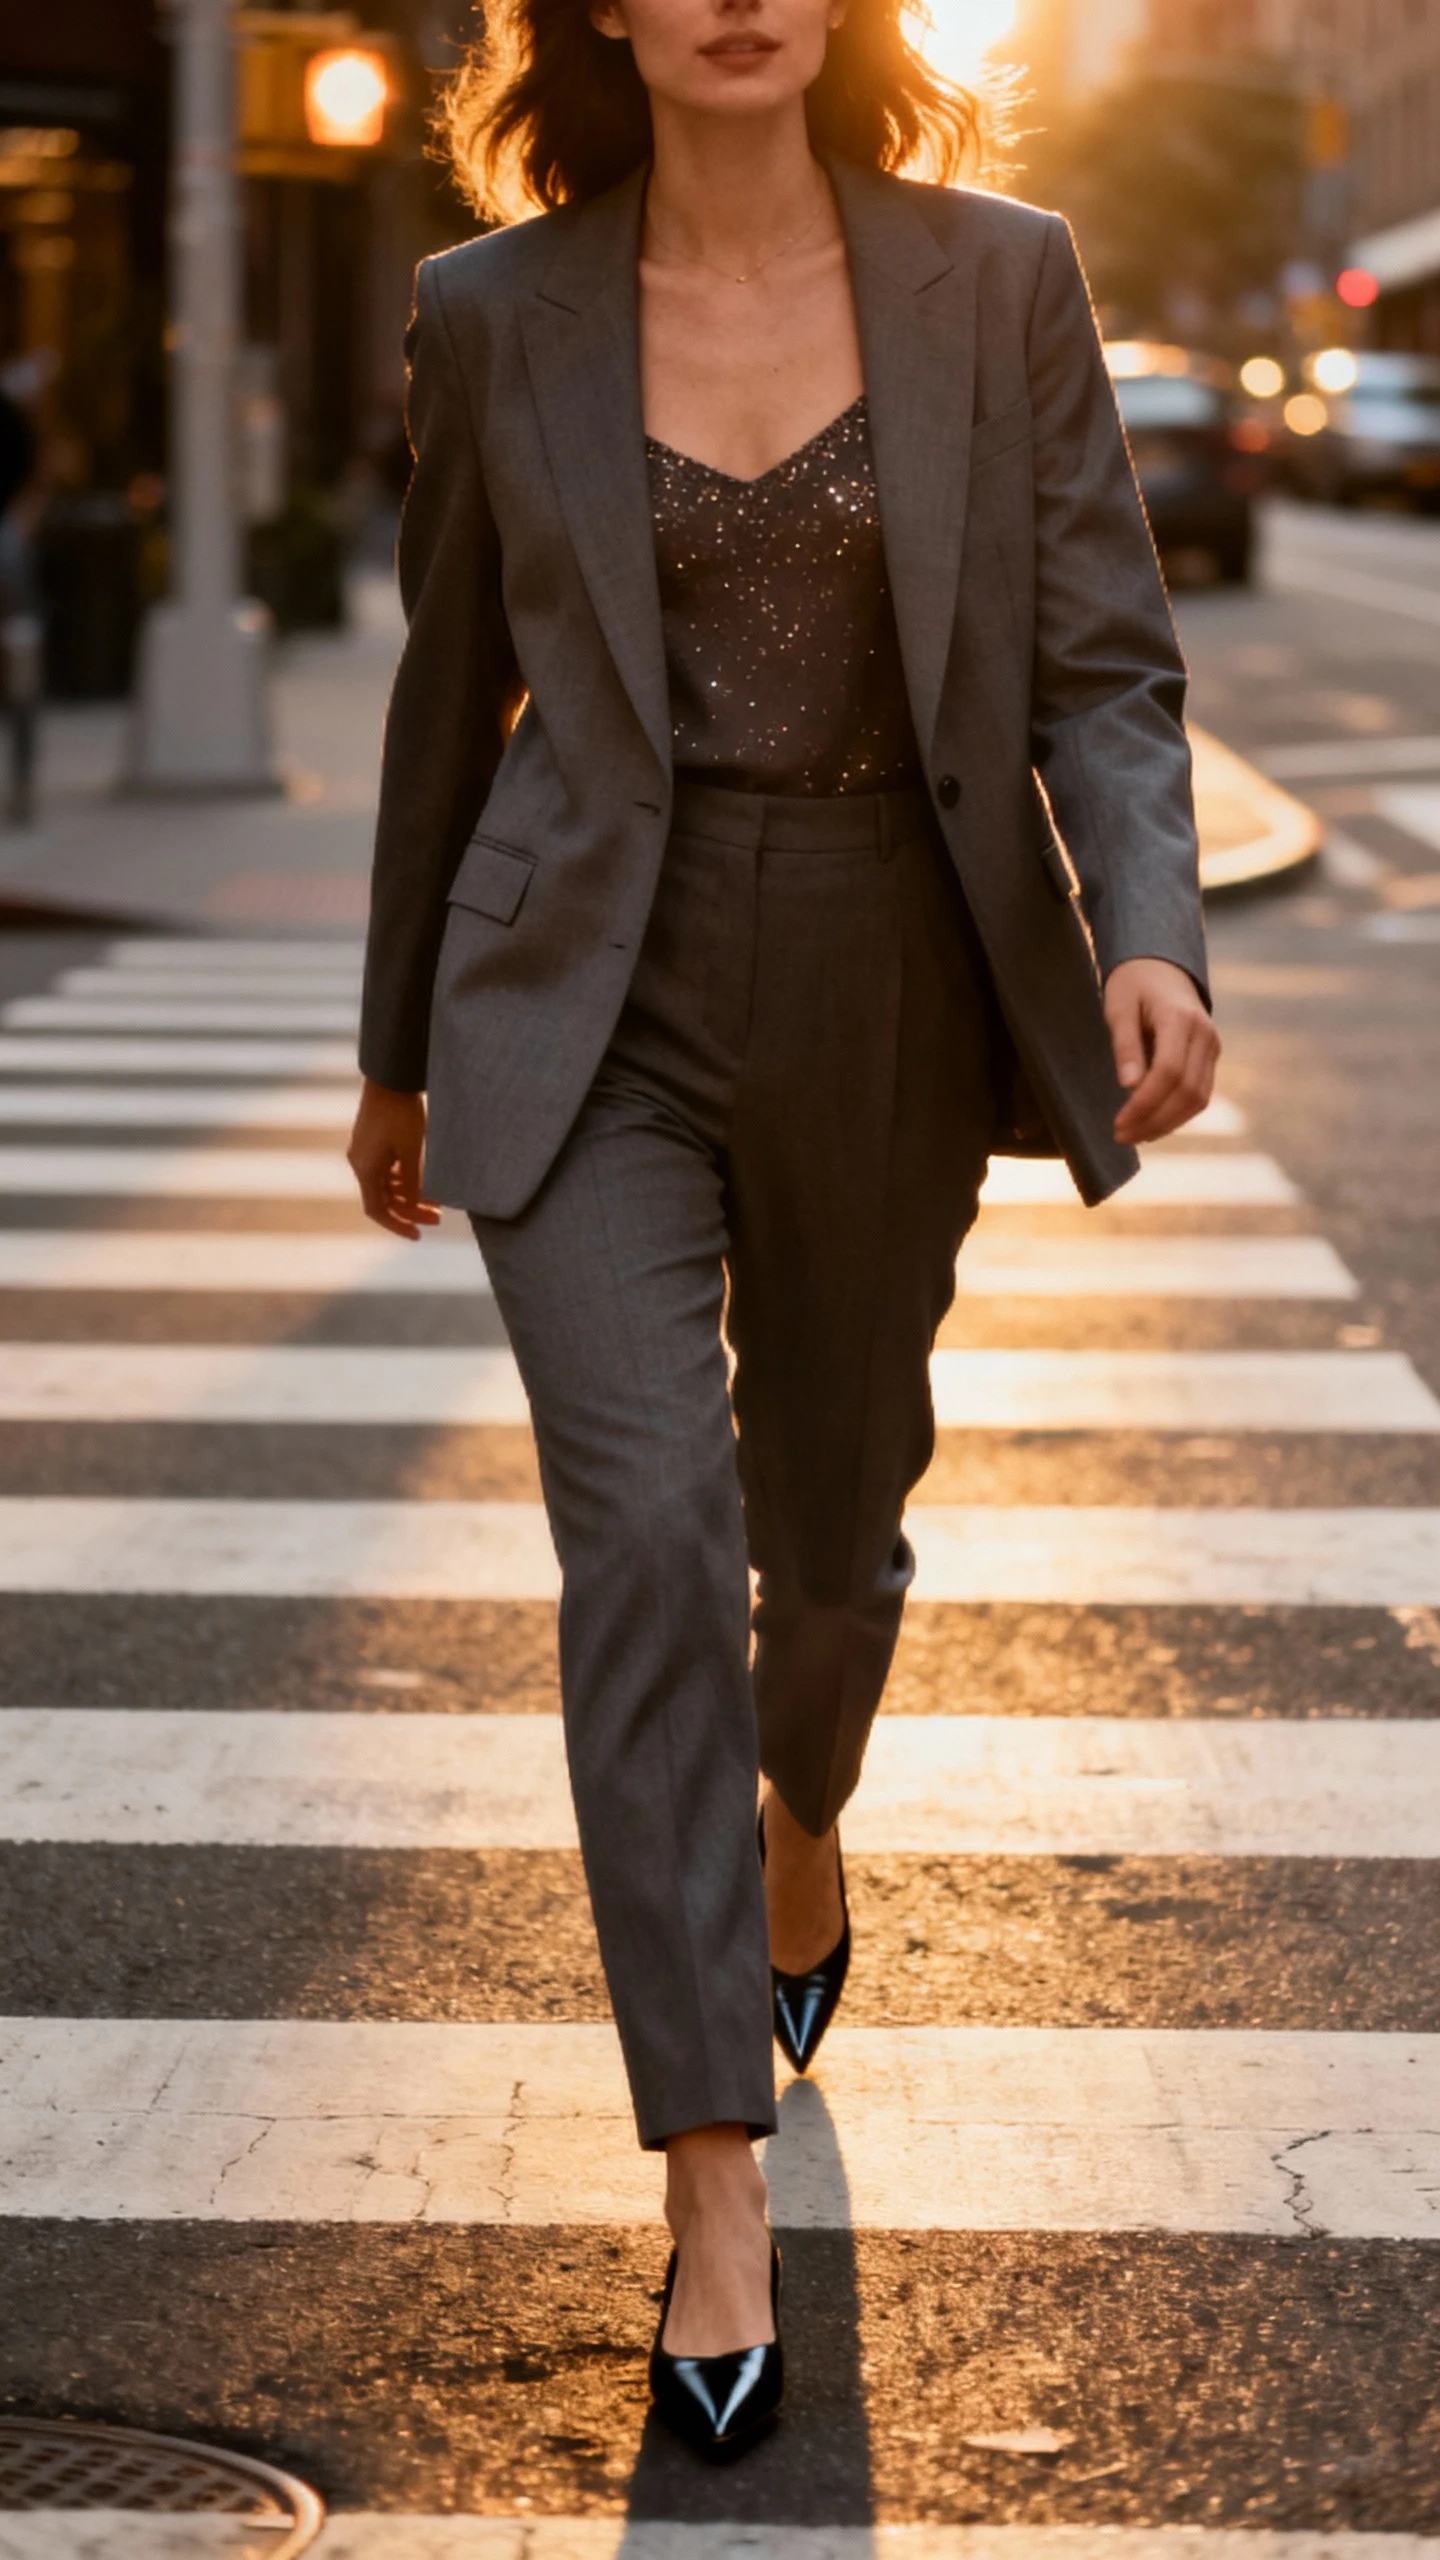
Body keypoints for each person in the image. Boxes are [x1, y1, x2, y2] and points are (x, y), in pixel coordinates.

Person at [347, 0, 1219, 2458]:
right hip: (583, 986)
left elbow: (1105, 663)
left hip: (891, 952)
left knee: (827, 1554)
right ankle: (711, 2172)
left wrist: (1143, 920)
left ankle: (801, 1819)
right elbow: (446, 692)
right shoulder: (487, 313)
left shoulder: (997, 275)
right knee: (645, 1534)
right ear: (606, 11)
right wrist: (395, 1045)